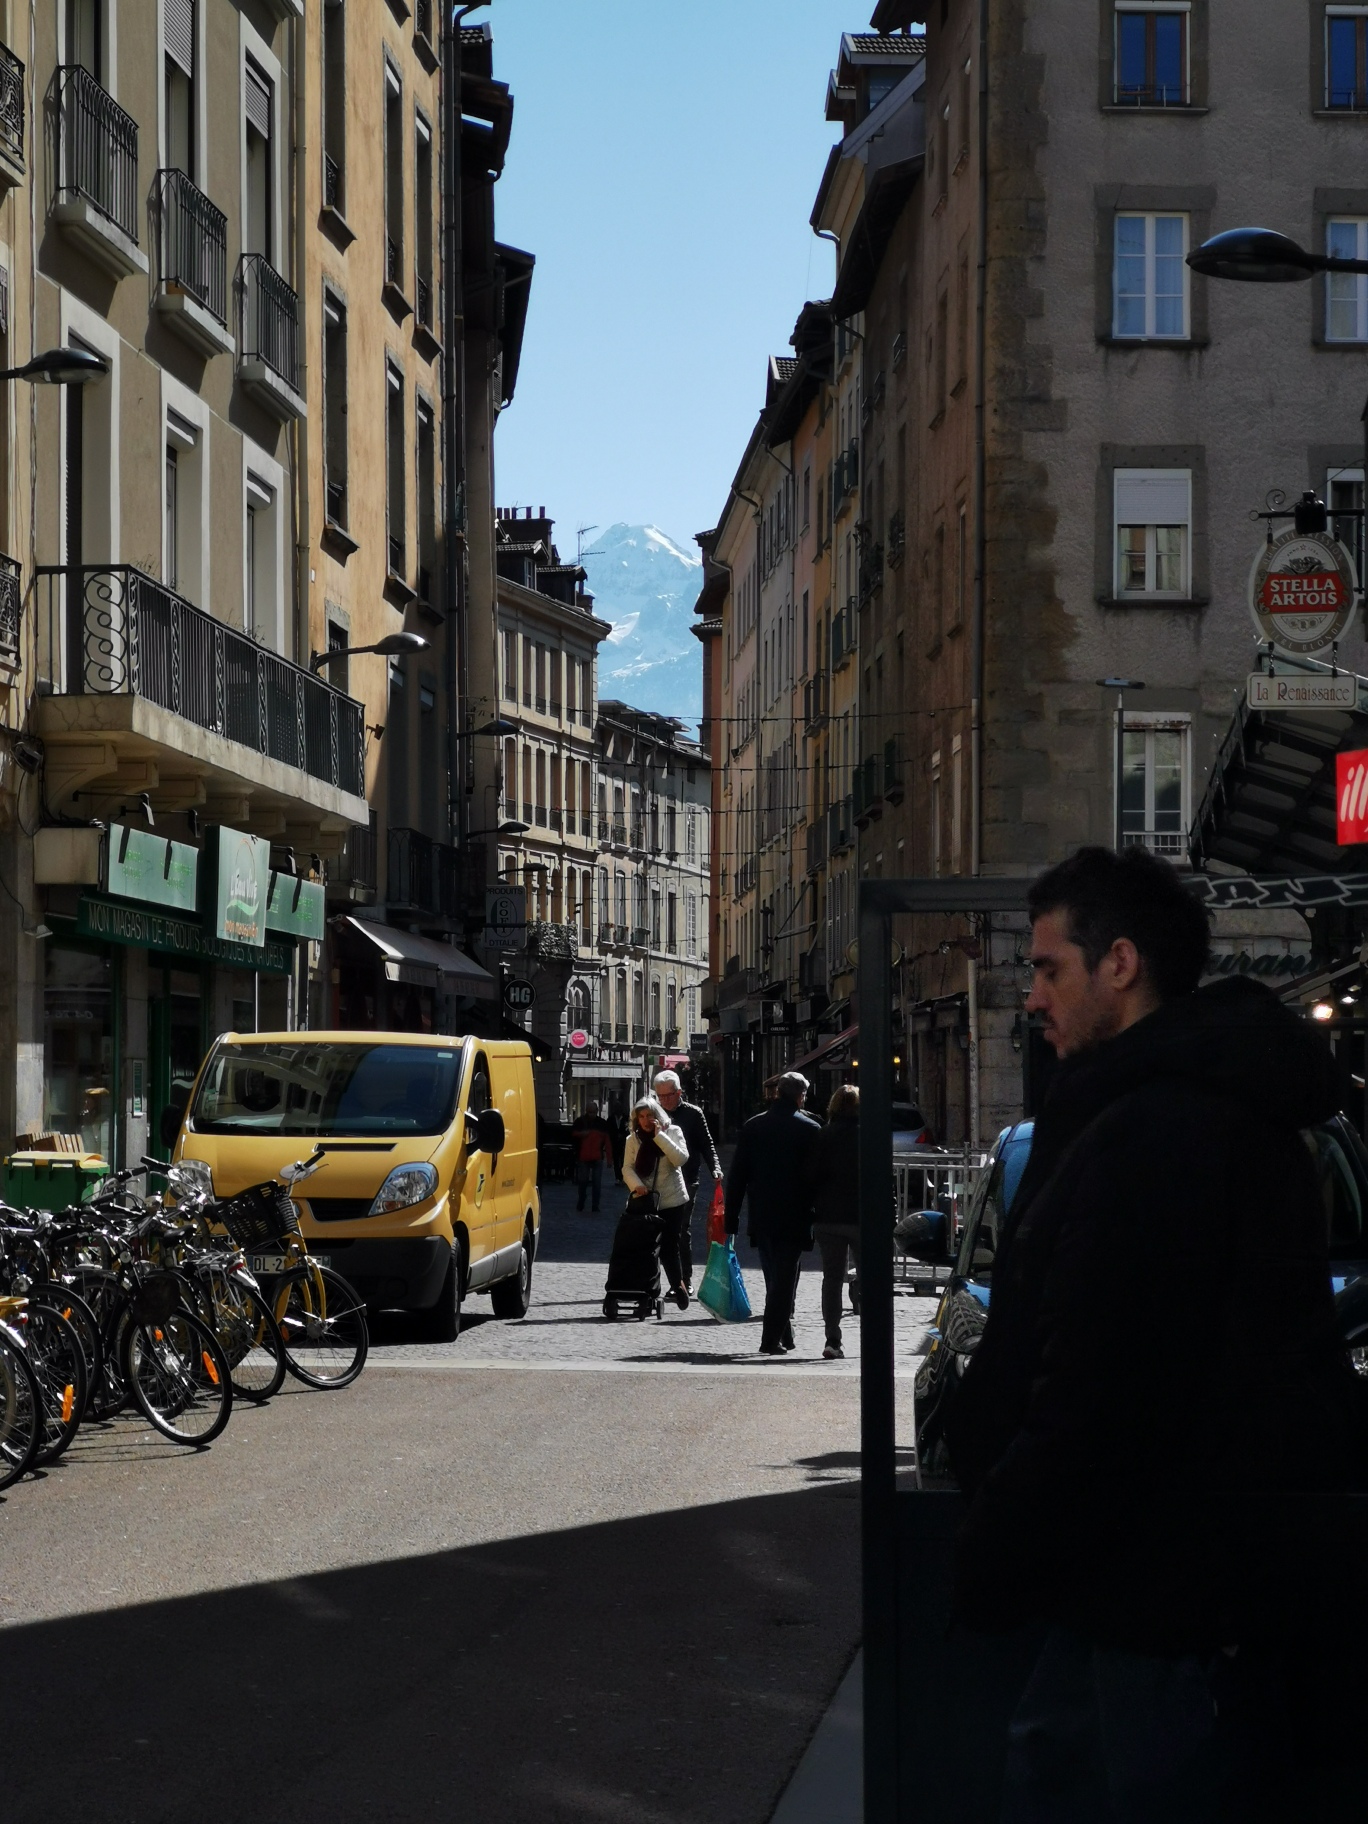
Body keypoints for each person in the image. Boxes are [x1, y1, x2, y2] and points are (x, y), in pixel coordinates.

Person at [943, 846, 1360, 1818]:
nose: (1033, 997)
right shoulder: (1152, 1112)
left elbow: (1106, 1388)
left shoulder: (1161, 1131)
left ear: (1120, 964)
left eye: (1050, 969)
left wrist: (994, 1540)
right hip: (1141, 1593)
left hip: (1159, 1602)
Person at [725, 1071, 821, 1355]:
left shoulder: (754, 1126)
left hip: (763, 1214)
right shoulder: (810, 1129)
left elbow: (737, 1176)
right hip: (796, 1215)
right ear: (800, 1096)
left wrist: (731, 1218)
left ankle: (783, 1333)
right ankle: (770, 1339)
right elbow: (816, 1177)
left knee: (775, 1277)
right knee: (783, 1278)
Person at [652, 1069, 721, 1294]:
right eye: (659, 1096)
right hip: (657, 1180)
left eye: (668, 1096)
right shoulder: (652, 1113)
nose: (663, 1100)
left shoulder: (693, 1114)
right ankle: (653, 1280)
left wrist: (715, 1168)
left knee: (680, 1230)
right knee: (654, 1230)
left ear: (679, 1092)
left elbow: (707, 1144)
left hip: (687, 1179)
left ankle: (683, 1280)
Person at [622, 1094, 692, 1309]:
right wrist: (636, 1186)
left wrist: (660, 1137)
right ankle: (649, 1289)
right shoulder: (632, 1140)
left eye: (649, 1115)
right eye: (641, 1116)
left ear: (657, 1116)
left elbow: (680, 1158)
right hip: (645, 1200)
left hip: (672, 1198)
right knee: (647, 1246)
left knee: (670, 1245)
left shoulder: (673, 1132)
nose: (645, 1120)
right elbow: (627, 1168)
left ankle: (677, 1285)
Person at [811, 1083, 860, 1360]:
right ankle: (873, 1336)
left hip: (828, 1218)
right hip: (862, 1217)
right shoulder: (867, 1135)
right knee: (870, 1278)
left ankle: (832, 1338)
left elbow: (810, 1176)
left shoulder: (823, 1135)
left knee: (831, 1279)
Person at [570, 1100, 613, 1213]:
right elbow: (572, 1135)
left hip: (597, 1157)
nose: (591, 1114)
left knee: (596, 1183)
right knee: (583, 1182)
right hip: (583, 1156)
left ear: (597, 1111)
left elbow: (607, 1142)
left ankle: (595, 1205)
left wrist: (609, 1159)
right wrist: (581, 1135)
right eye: (589, 1112)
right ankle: (581, 1201)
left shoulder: (602, 1124)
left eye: (593, 1112)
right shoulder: (580, 1122)